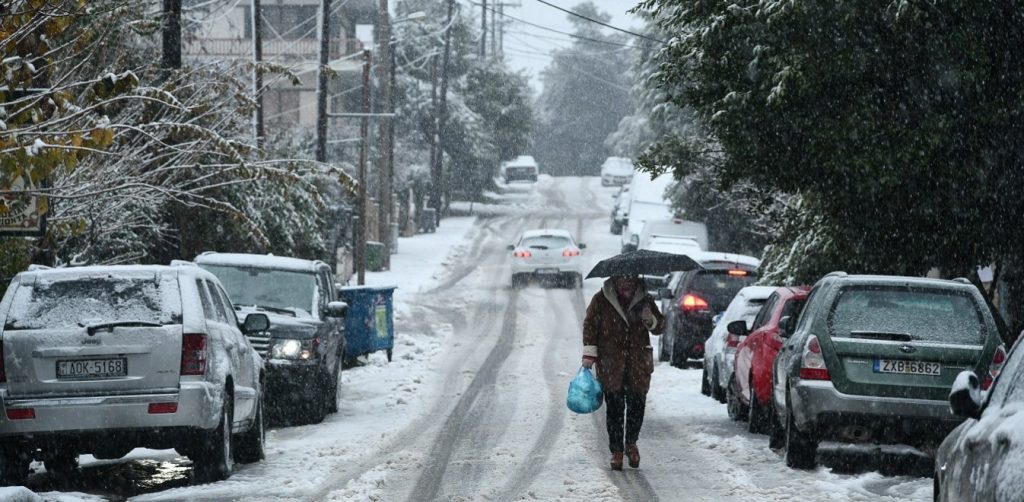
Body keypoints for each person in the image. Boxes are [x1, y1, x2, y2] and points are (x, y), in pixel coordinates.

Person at [582, 275, 665, 470]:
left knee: (637, 404)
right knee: (615, 408)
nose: (627, 282)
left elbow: (660, 326)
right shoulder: (601, 299)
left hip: (638, 363)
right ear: (615, 280)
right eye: (623, 279)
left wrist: (650, 319)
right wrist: (589, 354)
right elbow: (590, 326)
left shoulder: (646, 300)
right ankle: (617, 451)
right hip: (611, 362)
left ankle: (631, 444)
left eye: (630, 279)